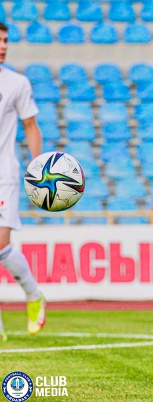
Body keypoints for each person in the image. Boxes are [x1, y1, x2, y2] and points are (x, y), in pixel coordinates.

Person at [0, 22, 47, 341]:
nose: (3, 46)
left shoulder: (17, 83)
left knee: (0, 244)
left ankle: (34, 294)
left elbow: (30, 125)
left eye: (5, 40)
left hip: (4, 175)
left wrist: (37, 166)